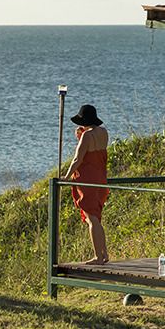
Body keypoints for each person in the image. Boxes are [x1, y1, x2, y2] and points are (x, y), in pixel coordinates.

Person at [63, 103, 109, 264]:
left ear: (84, 121)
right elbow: (94, 149)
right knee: (96, 218)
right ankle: (104, 254)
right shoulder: (103, 132)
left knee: (92, 219)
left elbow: (78, 158)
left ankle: (98, 256)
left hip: (87, 180)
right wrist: (81, 135)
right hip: (100, 179)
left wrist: (67, 176)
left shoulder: (87, 136)